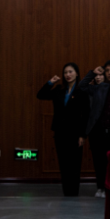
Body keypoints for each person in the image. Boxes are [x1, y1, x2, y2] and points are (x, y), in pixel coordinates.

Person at [37, 63, 89, 197]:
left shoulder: (82, 91)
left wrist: (83, 135)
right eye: (65, 72)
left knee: (74, 164)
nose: (68, 74)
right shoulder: (59, 89)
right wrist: (50, 82)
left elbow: (86, 115)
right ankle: (67, 192)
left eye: (71, 71)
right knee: (63, 163)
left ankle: (74, 192)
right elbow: (40, 95)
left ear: (76, 73)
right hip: (60, 132)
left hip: (75, 133)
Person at [79, 60, 110, 198]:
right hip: (99, 134)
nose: (109, 73)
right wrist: (93, 73)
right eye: (107, 70)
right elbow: (82, 86)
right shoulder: (101, 87)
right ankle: (101, 187)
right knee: (99, 163)